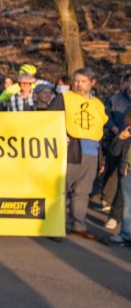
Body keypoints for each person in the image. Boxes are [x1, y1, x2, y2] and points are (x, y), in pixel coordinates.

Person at [48, 68, 108, 240]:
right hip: (72, 150)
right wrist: (60, 134)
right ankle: (57, 226)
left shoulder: (98, 104)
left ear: (92, 82)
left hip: (92, 153)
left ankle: (78, 226)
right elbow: (49, 119)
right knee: (62, 190)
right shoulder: (64, 98)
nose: (78, 84)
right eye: (76, 81)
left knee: (83, 191)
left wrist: (101, 158)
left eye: (83, 81)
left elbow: (99, 131)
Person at [104, 110, 131, 246]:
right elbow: (113, 152)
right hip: (127, 173)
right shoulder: (127, 133)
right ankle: (126, 234)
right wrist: (120, 137)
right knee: (127, 205)